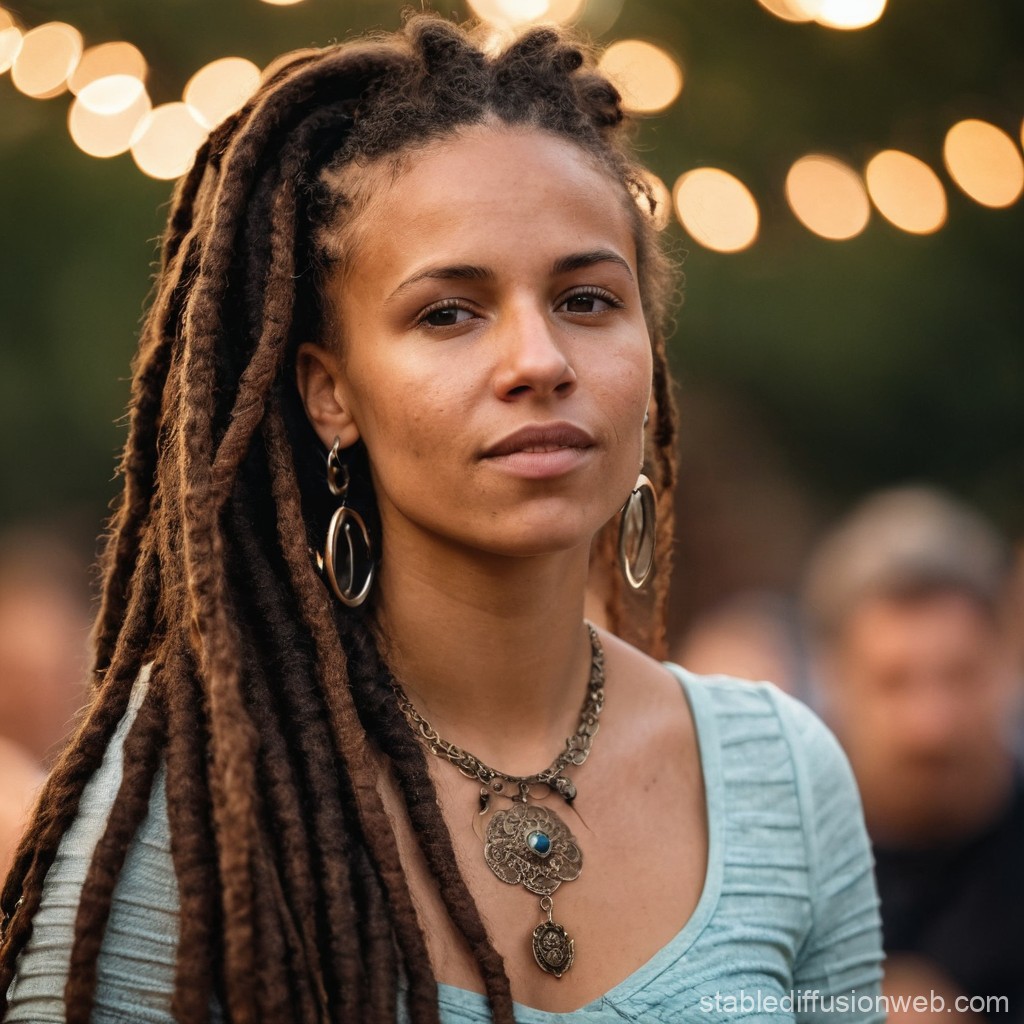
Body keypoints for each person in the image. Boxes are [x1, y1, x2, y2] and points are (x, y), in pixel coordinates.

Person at [0, 14, 883, 1023]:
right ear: (329, 392)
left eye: (588, 300)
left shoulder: (784, 778)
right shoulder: (197, 792)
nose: (539, 361)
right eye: (448, 313)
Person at [803, 487, 1024, 1022]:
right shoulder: (776, 864)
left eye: (959, 676)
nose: (931, 727)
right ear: (834, 681)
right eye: (894, 684)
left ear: (1006, 664)